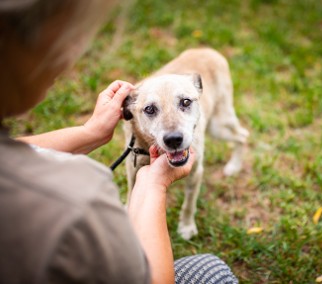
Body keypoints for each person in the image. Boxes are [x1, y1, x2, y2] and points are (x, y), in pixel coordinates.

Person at [0, 0, 238, 283]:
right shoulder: (78, 202)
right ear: (129, 113)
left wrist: (89, 132)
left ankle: (237, 147)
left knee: (223, 131)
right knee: (215, 269)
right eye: (64, 40)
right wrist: (155, 184)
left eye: (186, 103)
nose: (72, 54)